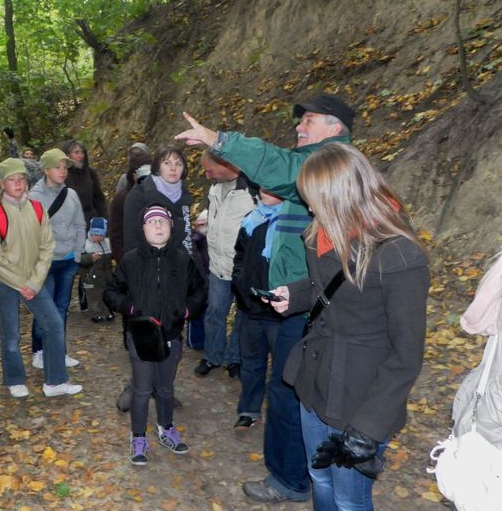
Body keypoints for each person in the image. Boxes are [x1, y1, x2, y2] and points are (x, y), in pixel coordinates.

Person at [176, 93, 355, 504]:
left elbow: (281, 169)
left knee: (288, 388)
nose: (299, 126)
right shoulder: (328, 167)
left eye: (309, 119)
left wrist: (218, 139)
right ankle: (305, 474)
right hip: (305, 296)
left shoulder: (330, 166)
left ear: (335, 128)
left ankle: (290, 480)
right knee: (295, 387)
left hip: (311, 302)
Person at [268, 143, 428, 510]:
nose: (309, 208)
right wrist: (292, 296)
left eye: (314, 199)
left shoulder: (398, 255)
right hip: (316, 383)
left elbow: (407, 356)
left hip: (360, 398)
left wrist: (369, 428)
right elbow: (327, 290)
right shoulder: (321, 232)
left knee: (348, 498)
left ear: (341, 197)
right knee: (319, 477)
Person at [103, 205, 206, 465]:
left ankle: (166, 428)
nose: (158, 226)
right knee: (142, 388)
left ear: (171, 227)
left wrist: (185, 310)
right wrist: (131, 308)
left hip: (172, 334)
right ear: (143, 228)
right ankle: (138, 436)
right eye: (152, 222)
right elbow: (112, 292)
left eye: (163, 222)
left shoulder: (183, 260)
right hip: (141, 335)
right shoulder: (131, 260)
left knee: (165, 387)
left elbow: (200, 291)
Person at [0, 158, 83, 398]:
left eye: (21, 179)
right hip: (5, 283)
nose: (18, 184)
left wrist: (34, 282)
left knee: (53, 324)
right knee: (11, 334)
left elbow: (47, 247)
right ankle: (15, 379)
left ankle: (56, 382)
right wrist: (21, 284)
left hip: (33, 281)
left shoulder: (37, 209)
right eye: (12, 180)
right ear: (3, 185)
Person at [194, 152, 255, 379]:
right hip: (217, 265)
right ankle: (212, 356)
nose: (206, 174)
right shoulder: (215, 189)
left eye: (209, 169)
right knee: (214, 313)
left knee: (242, 317)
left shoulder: (252, 190)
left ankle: (235, 359)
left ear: (225, 164)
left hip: (242, 268)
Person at [231, 189, 285, 430]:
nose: (264, 191)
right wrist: (240, 284)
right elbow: (239, 256)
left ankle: (279, 415)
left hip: (279, 312)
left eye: (272, 187)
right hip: (250, 306)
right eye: (262, 186)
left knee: (282, 370)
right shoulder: (251, 220)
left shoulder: (292, 223)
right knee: (251, 364)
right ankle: (249, 410)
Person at [28, 148, 86, 370]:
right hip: (46, 262)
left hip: (69, 261)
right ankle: (40, 350)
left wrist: (78, 253)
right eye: (57, 167)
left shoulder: (70, 194)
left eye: (64, 167)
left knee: (61, 308)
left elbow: (80, 224)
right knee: (46, 308)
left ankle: (59, 351)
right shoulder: (34, 197)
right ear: (45, 170)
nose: (63, 172)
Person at [61, 139, 108, 311]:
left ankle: (91, 298)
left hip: (92, 220)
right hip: (73, 223)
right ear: (68, 155)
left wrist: (103, 221)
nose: (79, 156)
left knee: (94, 260)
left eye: (81, 152)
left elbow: (99, 198)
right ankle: (75, 297)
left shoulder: (91, 173)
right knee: (78, 261)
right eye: (75, 152)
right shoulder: (64, 175)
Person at [123, 145, 193, 256]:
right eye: (167, 163)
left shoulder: (184, 194)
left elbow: (187, 235)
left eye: (178, 164)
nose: (173, 168)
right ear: (157, 167)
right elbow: (131, 240)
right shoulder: (138, 195)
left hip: (184, 264)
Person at [109, 149, 152, 264]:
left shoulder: (159, 196)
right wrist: (125, 264)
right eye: (143, 172)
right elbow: (116, 236)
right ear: (134, 174)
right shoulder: (121, 199)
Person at [80, 217, 114, 323]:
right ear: (91, 233)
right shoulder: (85, 244)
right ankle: (95, 313)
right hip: (90, 278)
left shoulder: (107, 243)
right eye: (95, 235)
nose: (98, 237)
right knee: (93, 296)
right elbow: (79, 259)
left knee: (105, 294)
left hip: (105, 276)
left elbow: (110, 258)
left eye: (101, 235)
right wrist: (90, 258)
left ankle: (107, 311)